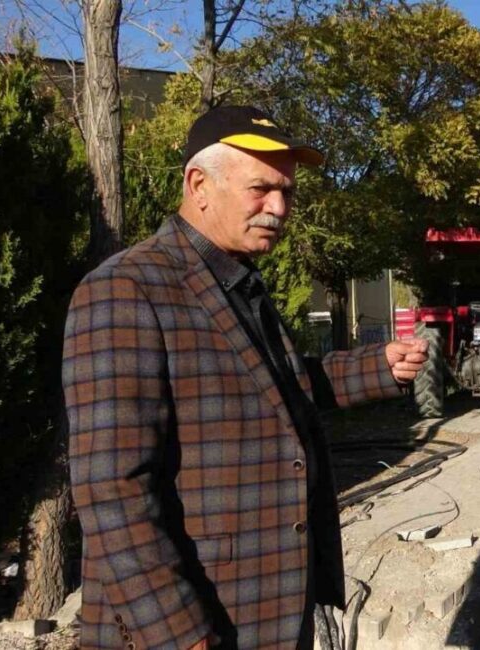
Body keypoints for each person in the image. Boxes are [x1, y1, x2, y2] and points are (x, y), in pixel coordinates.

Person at [63, 106, 429, 650]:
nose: (279, 208)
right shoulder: (126, 289)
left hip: (268, 609)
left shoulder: (236, 282)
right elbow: (112, 490)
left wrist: (376, 367)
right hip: (195, 621)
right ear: (199, 185)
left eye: (287, 193)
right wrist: (179, 635)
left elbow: (272, 389)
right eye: (261, 189)